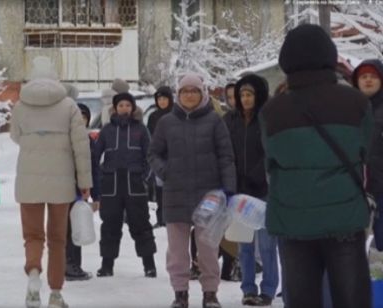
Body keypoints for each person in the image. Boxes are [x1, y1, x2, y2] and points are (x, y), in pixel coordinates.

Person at [260, 24, 373, 308]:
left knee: (301, 300)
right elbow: (366, 152)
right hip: (344, 218)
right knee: (351, 299)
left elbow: (271, 159)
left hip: (292, 219)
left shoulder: (272, 111)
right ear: (329, 56)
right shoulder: (356, 102)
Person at [149, 73, 236, 308]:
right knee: (177, 251)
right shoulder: (166, 122)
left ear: (202, 94)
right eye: (185, 91)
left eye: (194, 91)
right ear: (178, 94)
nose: (189, 95)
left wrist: (229, 189)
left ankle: (210, 293)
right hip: (175, 194)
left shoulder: (215, 121)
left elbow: (226, 157)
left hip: (208, 195)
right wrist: (165, 171)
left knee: (208, 248)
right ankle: (180, 293)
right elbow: (153, 153)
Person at [10, 58, 92, 308]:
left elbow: (15, 136)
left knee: (33, 236)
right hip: (62, 184)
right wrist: (85, 182)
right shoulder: (69, 106)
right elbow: (81, 147)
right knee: (58, 239)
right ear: (56, 77)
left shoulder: (21, 105)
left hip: (29, 182)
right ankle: (56, 293)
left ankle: (34, 275)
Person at [224, 74, 278, 306]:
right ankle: (248, 288)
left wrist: (258, 173)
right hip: (240, 190)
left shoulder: (268, 118)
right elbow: (225, 151)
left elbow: (272, 150)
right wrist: (232, 178)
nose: (245, 99)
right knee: (244, 243)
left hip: (263, 188)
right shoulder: (230, 120)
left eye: (250, 94)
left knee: (266, 244)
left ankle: (268, 289)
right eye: (242, 95)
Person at [94, 92, 157, 279]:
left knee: (141, 223)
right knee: (110, 225)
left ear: (133, 108)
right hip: (111, 183)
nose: (124, 109)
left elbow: (150, 156)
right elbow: (95, 156)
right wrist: (100, 179)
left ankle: (149, 265)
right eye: (120, 105)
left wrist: (144, 177)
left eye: (127, 105)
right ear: (115, 108)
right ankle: (107, 265)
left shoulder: (141, 129)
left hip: (134, 182)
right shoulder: (106, 130)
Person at [63, 84, 100, 281]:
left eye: (84, 118)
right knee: (65, 231)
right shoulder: (64, 140)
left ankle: (74, 265)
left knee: (76, 229)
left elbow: (93, 169)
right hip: (64, 191)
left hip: (80, 192)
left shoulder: (89, 141)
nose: (81, 121)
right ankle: (67, 265)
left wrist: (96, 195)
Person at [352, 59, 383, 251]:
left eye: (373, 76)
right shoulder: (349, 109)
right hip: (355, 190)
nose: (368, 80)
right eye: (364, 76)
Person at [147, 86, 174, 229]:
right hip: (159, 158)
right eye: (159, 99)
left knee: (173, 190)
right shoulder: (153, 116)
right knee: (160, 190)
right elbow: (150, 137)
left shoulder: (176, 114)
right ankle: (161, 218)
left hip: (175, 157)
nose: (162, 101)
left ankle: (172, 218)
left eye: (165, 98)